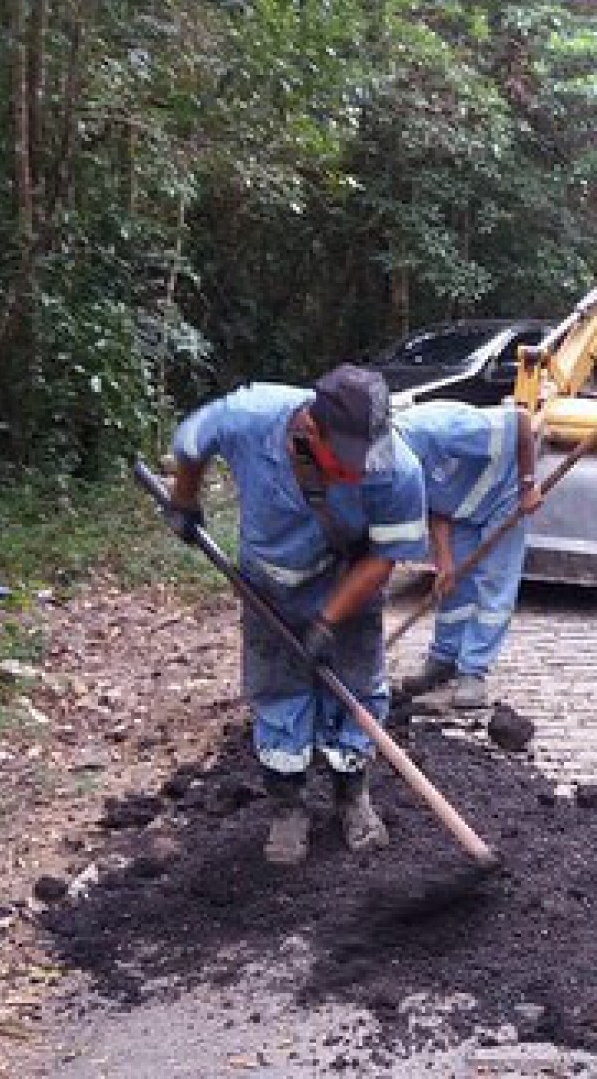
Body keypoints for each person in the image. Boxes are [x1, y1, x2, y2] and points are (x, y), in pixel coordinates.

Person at [163, 364, 428, 865]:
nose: (361, 473)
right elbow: (193, 439)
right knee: (279, 692)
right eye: (348, 463)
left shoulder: (397, 469)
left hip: (349, 584)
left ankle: (353, 799)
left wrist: (328, 620)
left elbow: (383, 557)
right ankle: (289, 809)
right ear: (310, 429)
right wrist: (184, 499)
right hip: (270, 588)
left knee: (354, 692)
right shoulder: (250, 418)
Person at [391, 400, 543, 710]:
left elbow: (521, 422)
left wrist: (527, 485)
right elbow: (434, 505)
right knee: (453, 582)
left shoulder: (443, 429)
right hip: (458, 508)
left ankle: (473, 671)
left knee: (494, 585)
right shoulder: (395, 464)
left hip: (505, 494)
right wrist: (444, 561)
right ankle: (443, 658)